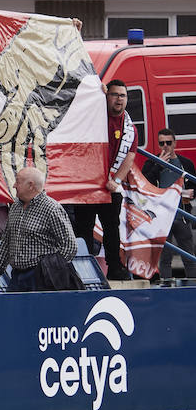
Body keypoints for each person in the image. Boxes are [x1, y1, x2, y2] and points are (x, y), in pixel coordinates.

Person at [72, 79, 135, 281]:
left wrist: (116, 180)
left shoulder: (129, 127)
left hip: (110, 187)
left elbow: (130, 158)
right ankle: (85, 268)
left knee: (111, 228)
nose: (119, 99)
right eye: (115, 95)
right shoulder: (93, 115)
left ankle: (115, 267)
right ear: (106, 97)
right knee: (84, 228)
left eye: (123, 96)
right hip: (87, 183)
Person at [0, 166, 78, 293]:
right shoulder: (15, 206)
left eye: (18, 181)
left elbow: (70, 246)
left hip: (41, 278)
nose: (14, 185)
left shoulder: (52, 208)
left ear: (30, 185)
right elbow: (6, 242)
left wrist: (51, 270)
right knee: (14, 311)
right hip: (17, 276)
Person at [141, 128, 196, 281]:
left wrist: (192, 193)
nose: (165, 146)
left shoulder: (185, 163)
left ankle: (192, 287)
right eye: (161, 143)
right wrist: (159, 165)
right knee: (164, 257)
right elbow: (145, 185)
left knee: (189, 255)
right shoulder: (152, 162)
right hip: (162, 217)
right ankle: (166, 286)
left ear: (175, 143)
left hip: (181, 214)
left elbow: (194, 185)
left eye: (168, 143)